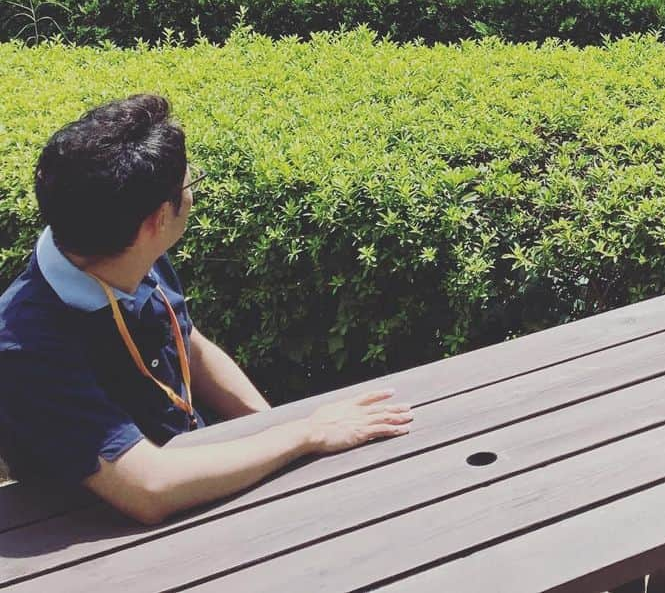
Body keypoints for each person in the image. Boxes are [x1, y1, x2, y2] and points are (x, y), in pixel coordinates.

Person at [0, 94, 412, 525]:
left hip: (203, 479)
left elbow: (190, 345)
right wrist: (302, 434)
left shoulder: (116, 245)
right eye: (189, 183)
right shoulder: (24, 347)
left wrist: (274, 428)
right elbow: (148, 489)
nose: (193, 191)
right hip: (106, 544)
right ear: (158, 220)